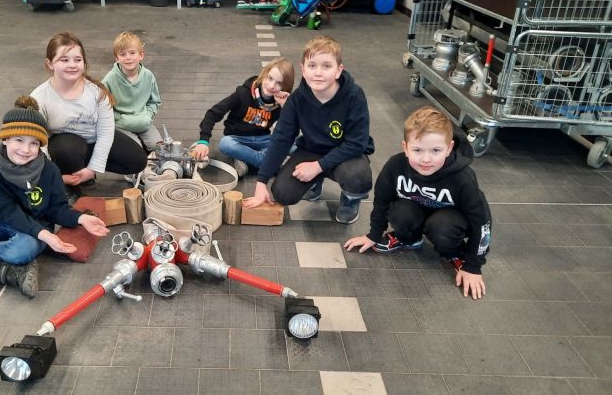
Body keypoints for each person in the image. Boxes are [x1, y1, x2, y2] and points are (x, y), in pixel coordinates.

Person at [0, 96, 110, 297]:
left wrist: (81, 218)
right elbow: (8, 211)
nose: (26, 150)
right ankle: (0, 269)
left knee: (22, 250)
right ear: (5, 139)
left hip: (36, 230)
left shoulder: (50, 170)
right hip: (5, 222)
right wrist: (48, 237)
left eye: (34, 143)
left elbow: (57, 209)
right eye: (19, 140)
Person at [344, 106, 492, 300]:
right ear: (405, 147)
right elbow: (381, 202)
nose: (426, 159)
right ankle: (409, 239)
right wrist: (374, 235)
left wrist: (473, 265)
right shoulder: (395, 166)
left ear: (449, 148)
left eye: (436, 150)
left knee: (442, 226)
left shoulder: (463, 178)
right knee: (400, 212)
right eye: (417, 150)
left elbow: (481, 222)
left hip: (450, 220)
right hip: (416, 209)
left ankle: (455, 253)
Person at [243, 36, 373, 224]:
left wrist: (317, 167)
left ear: (338, 70)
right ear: (303, 70)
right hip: (312, 150)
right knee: (282, 193)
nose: (318, 73)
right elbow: (281, 139)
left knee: (358, 176)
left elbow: (356, 144)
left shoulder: (354, 96)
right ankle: (315, 182)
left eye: (326, 66)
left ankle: (351, 200)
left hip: (346, 153)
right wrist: (261, 182)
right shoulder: (297, 99)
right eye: (312, 66)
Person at [31, 32, 147, 198]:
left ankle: (85, 174)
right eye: (64, 60)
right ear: (50, 64)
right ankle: (70, 185)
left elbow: (106, 132)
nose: (72, 65)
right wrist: (54, 176)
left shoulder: (97, 92)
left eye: (77, 60)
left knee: (138, 160)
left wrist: (93, 168)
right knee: (67, 148)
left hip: (93, 141)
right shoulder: (39, 98)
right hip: (65, 148)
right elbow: (37, 142)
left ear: (84, 62)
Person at [191, 57, 294, 176]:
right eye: (270, 78)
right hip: (237, 139)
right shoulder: (242, 93)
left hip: (263, 139)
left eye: (279, 83)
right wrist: (203, 141)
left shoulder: (281, 101)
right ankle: (267, 162)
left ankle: (250, 162)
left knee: (297, 144)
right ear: (264, 74)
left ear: (285, 86)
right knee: (225, 143)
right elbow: (213, 113)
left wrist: (285, 107)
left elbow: (288, 130)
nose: (271, 85)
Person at [101, 31, 163, 152]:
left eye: (132, 53)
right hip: (122, 124)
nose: (128, 57)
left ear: (141, 55)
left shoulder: (148, 76)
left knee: (159, 147)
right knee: (135, 150)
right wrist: (118, 118)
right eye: (123, 54)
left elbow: (154, 101)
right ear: (117, 58)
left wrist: (148, 116)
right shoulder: (109, 79)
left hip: (143, 121)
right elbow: (103, 105)